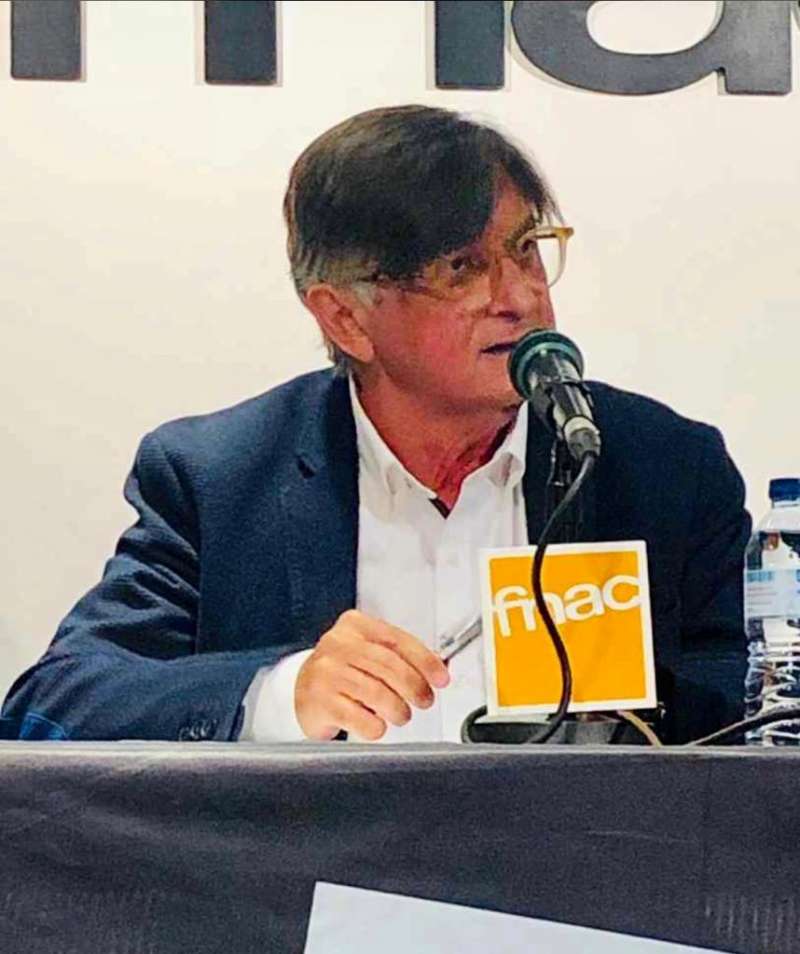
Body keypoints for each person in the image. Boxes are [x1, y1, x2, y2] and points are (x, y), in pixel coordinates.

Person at [1, 105, 750, 745]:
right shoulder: (220, 478)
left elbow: (732, 733)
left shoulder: (659, 469)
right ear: (346, 319)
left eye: (526, 250)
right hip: (311, 872)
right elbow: (52, 706)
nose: (520, 297)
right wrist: (280, 693)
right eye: (461, 268)